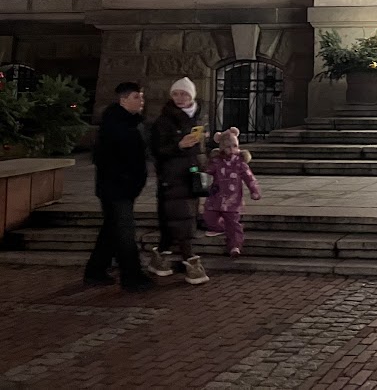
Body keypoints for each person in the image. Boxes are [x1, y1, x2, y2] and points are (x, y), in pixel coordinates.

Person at [84, 82, 153, 292]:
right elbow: (105, 157)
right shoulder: (114, 125)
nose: (141, 101)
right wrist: (124, 178)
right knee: (124, 232)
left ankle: (95, 271)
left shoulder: (134, 123)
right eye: (136, 97)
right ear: (123, 100)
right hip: (116, 188)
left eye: (141, 96)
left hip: (125, 187)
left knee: (111, 229)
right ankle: (132, 276)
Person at [147, 77, 209, 284]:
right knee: (181, 218)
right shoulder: (164, 120)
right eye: (175, 94)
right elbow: (157, 149)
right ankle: (190, 261)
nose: (179, 98)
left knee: (173, 220)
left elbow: (201, 150)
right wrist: (179, 146)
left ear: (192, 96)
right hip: (172, 177)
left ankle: (160, 258)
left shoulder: (199, 118)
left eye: (184, 94)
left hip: (192, 176)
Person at [203, 127, 261, 258]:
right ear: (222, 148)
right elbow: (207, 170)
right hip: (215, 198)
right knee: (209, 216)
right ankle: (220, 227)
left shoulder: (240, 163)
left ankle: (235, 246)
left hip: (233, 200)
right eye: (228, 147)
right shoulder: (217, 162)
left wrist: (254, 190)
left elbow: (249, 177)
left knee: (234, 224)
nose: (232, 150)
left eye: (235, 146)